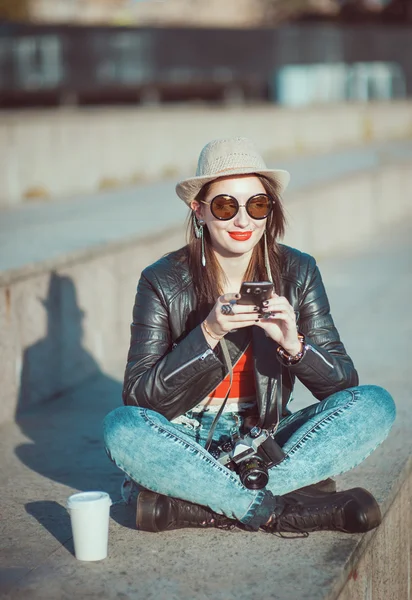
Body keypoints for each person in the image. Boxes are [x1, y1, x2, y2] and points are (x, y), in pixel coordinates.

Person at [103, 137, 395, 535]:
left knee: (376, 405)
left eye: (257, 205)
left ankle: (199, 503)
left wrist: (295, 345)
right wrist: (208, 332)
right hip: (185, 438)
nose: (243, 220)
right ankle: (281, 508)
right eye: (226, 205)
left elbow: (343, 385)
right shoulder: (161, 280)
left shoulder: (298, 270)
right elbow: (139, 398)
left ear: (269, 210)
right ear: (199, 211)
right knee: (121, 428)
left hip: (265, 438)